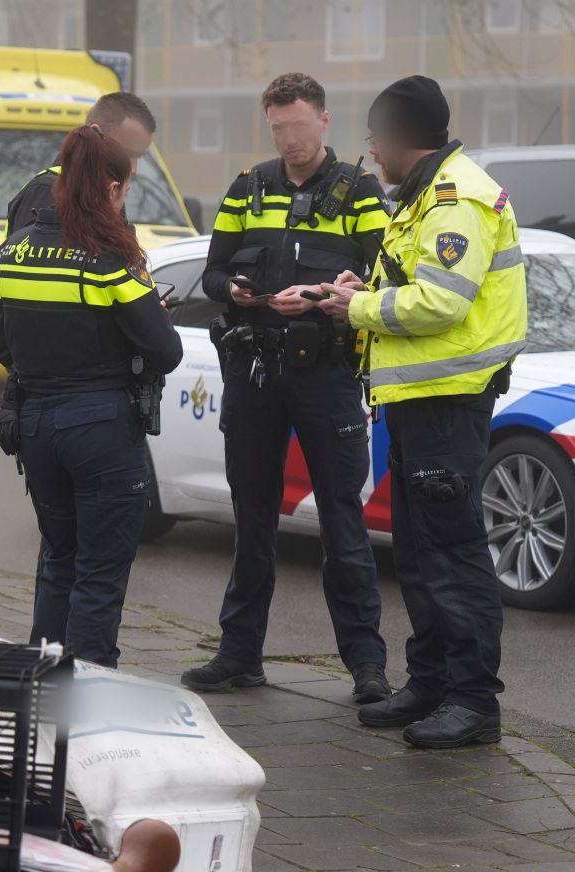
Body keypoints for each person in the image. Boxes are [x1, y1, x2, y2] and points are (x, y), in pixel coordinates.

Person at [313, 75, 527, 750]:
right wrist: (362, 288)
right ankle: (431, 682)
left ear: (402, 138)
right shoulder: (426, 197)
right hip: (417, 403)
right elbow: (413, 285)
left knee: (453, 555)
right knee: (418, 552)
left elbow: (441, 305)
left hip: (446, 403)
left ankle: (473, 702)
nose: (371, 151)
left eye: (376, 138)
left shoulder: (455, 198)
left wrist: (355, 308)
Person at [183, 73, 391, 705]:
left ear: (324, 121)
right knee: (251, 518)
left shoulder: (359, 191)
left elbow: (386, 278)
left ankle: (367, 668)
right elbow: (213, 271)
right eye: (278, 129)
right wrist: (236, 292)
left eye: (299, 127)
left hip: (326, 374)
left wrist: (328, 295)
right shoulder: (248, 188)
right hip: (255, 371)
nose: (289, 140)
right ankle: (239, 655)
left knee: (342, 520)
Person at [0, 125, 184, 668]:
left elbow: (4, 345)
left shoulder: (10, 253)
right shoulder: (107, 259)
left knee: (58, 562)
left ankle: (43, 693)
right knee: (99, 574)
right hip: (99, 426)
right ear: (112, 189)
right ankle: (91, 701)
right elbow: (165, 351)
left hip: (37, 426)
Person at [6, 92, 158, 232]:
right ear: (95, 133)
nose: (133, 169)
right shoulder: (47, 190)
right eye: (125, 152)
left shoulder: (108, 194)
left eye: (139, 156)